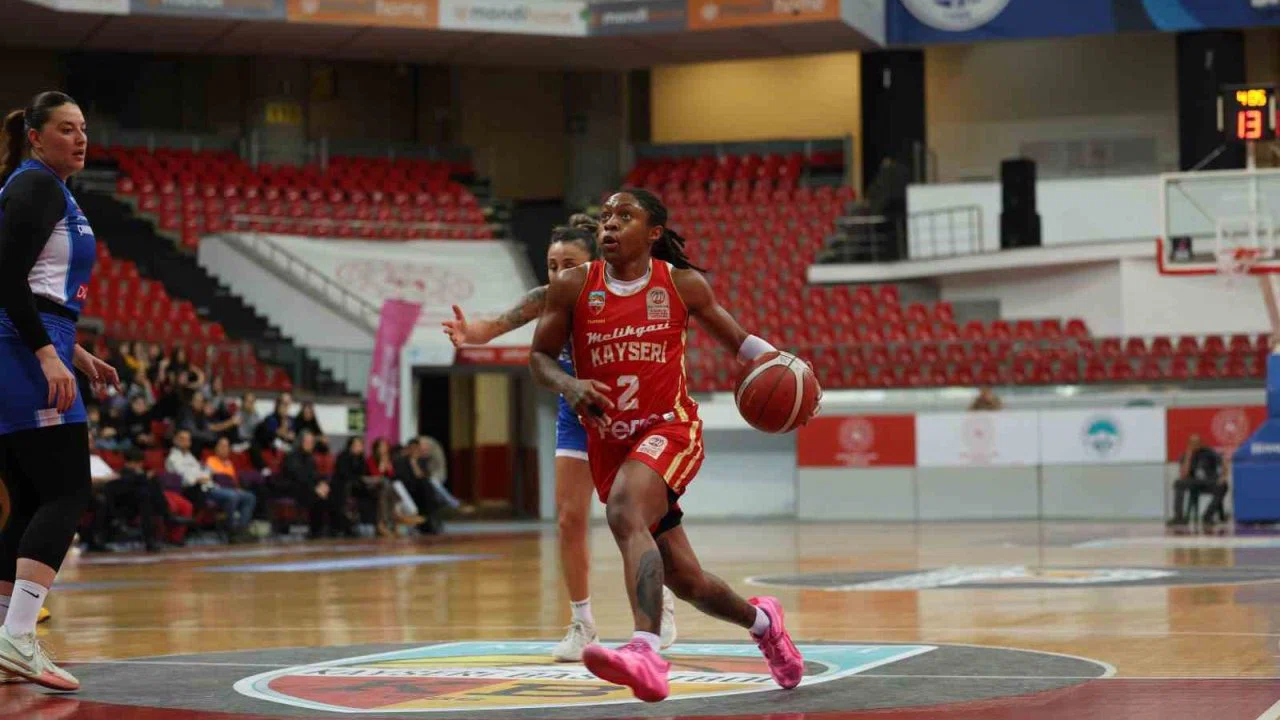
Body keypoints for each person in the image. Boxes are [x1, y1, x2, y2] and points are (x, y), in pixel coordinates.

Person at [529, 189, 813, 702]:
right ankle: (764, 624)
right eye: (606, 217)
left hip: (669, 429)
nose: (610, 225)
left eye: (625, 216)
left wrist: (793, 373)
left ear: (653, 233)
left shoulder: (680, 285)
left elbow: (743, 346)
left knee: (623, 510)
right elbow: (539, 358)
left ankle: (645, 651)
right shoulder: (573, 286)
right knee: (688, 581)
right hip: (610, 443)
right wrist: (569, 385)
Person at [444, 214, 676, 662]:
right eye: (552, 265)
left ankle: (658, 600)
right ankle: (582, 623)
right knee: (570, 520)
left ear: (594, 263)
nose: (558, 274)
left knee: (635, 518)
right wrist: (471, 333)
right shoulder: (549, 298)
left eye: (568, 264)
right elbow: (497, 325)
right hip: (577, 415)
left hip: (629, 414)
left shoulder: (624, 292)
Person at [0, 91, 120, 691]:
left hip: (29, 346)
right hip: (21, 353)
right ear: (35, 136)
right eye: (66, 129)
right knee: (69, 490)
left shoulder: (47, 189)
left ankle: (4, 636)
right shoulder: (36, 186)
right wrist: (48, 353)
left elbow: (38, 286)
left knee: (29, 500)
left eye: (84, 129)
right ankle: (19, 636)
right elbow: (5, 278)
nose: (80, 139)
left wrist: (76, 352)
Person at [166, 429, 256, 540]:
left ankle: (241, 529)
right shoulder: (173, 458)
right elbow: (182, 478)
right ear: (175, 440)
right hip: (195, 490)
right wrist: (198, 479)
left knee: (249, 497)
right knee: (232, 496)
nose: (186, 442)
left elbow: (204, 470)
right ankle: (231, 531)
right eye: (182, 439)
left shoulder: (190, 456)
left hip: (210, 486)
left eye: (188, 439)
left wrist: (204, 476)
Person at [1169, 434, 1228, 526]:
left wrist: (1223, 477)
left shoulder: (1209, 452)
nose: (1195, 445)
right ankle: (1178, 517)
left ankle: (1207, 516)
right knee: (1178, 483)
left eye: (1197, 442)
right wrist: (1188, 456)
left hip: (1209, 481)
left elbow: (1223, 461)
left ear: (1201, 443)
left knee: (1223, 486)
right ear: (1189, 444)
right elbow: (1183, 475)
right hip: (1194, 482)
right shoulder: (1186, 455)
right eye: (1192, 443)